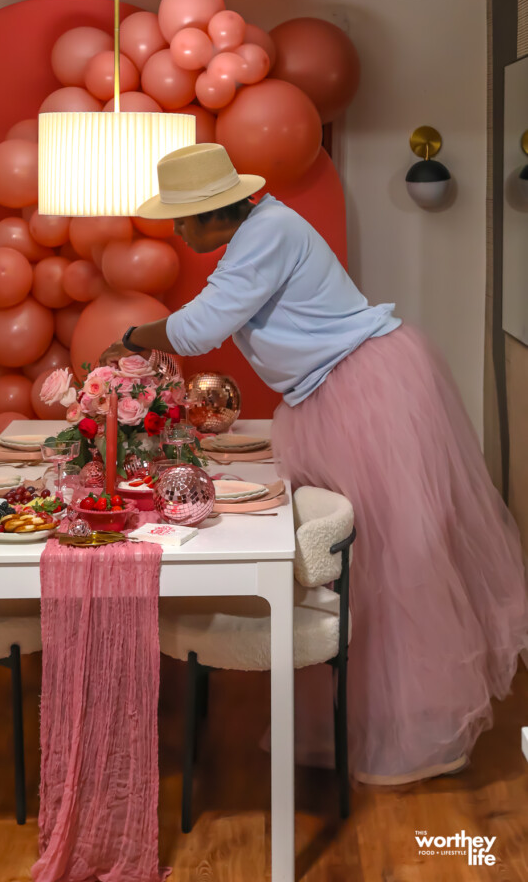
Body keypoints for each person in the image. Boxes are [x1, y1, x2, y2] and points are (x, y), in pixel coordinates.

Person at [100, 142, 528, 785]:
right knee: (366, 565)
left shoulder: (266, 231)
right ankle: (362, 721)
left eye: (184, 218)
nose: (178, 230)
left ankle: (417, 729)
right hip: (339, 389)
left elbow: (196, 332)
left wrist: (131, 338)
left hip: (365, 391)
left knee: (393, 561)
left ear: (221, 209)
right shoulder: (259, 229)